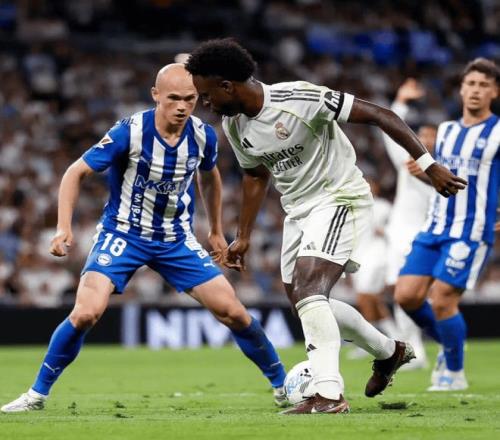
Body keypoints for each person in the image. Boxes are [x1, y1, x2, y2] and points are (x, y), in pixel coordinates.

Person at [185, 38, 466, 414]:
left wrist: (429, 165)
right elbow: (255, 176)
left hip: (340, 197)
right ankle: (389, 351)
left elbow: (381, 115)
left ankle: (328, 394)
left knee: (309, 291)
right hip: (298, 211)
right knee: (304, 303)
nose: (205, 103)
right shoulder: (235, 125)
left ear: (227, 86)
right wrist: (244, 236)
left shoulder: (300, 99)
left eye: (206, 95)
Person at [1, 64, 287, 413]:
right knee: (85, 314)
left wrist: (214, 230)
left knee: (234, 313)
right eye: (173, 98)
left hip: (175, 239)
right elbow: (75, 172)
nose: (182, 106)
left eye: (190, 99)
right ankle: (36, 395)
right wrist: (64, 227)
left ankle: (283, 385)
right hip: (123, 233)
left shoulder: (203, 135)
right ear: (156, 95)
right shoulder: (129, 132)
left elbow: (210, 176)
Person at [395, 58, 500, 391]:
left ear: (494, 92)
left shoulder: (497, 132)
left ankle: (453, 373)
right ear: (461, 89)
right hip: (435, 227)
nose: (476, 90)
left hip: (471, 231)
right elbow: (446, 183)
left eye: (483, 85)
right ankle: (450, 344)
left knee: (442, 300)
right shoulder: (447, 131)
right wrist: (424, 177)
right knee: (406, 297)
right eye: (471, 84)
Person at [382, 78, 438, 370]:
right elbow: (390, 133)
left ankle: (445, 345)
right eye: (422, 134)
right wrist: (401, 101)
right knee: (399, 294)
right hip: (399, 236)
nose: (426, 140)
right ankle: (413, 351)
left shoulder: (448, 171)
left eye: (431, 136)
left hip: (429, 239)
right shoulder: (409, 160)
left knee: (429, 297)